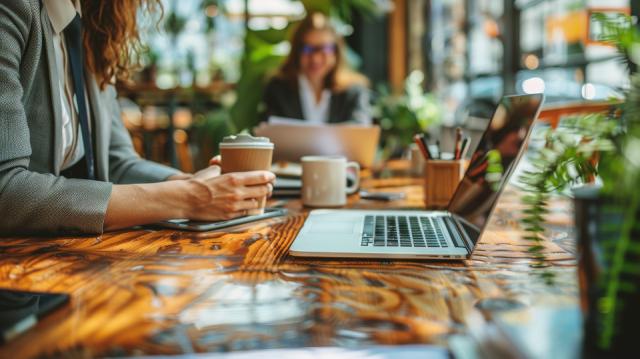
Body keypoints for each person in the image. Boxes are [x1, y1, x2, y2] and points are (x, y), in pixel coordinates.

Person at [0, 0, 274, 235]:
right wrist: (189, 197)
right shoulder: (13, 10)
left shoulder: (92, 32)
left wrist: (194, 184)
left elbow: (116, 163)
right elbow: (7, 192)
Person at [263, 12, 372, 125]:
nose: (315, 59)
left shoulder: (353, 92)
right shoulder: (278, 89)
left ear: (336, 52)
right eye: (307, 49)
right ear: (296, 52)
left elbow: (361, 130)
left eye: (323, 49)